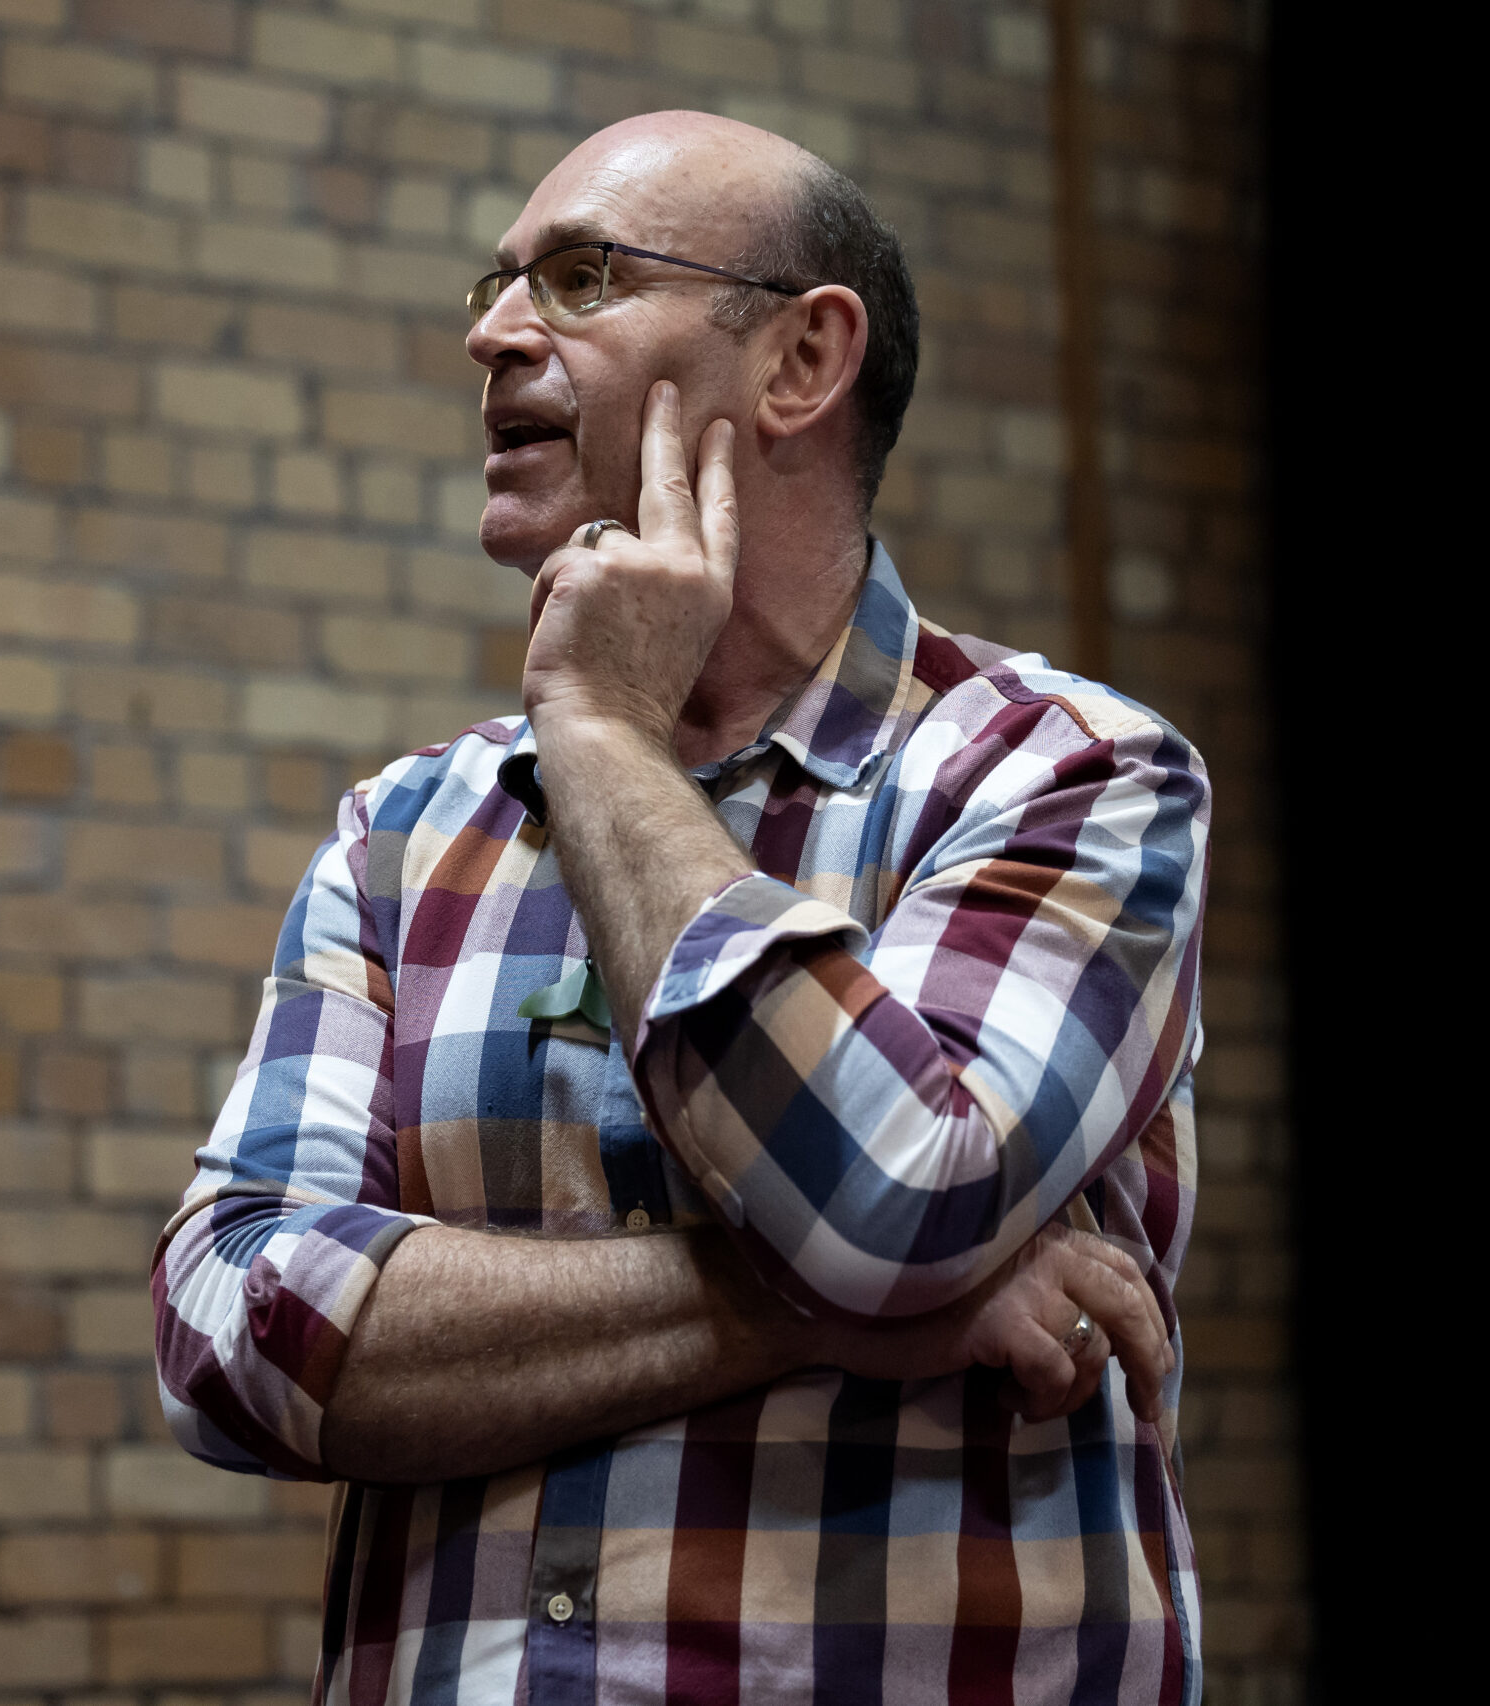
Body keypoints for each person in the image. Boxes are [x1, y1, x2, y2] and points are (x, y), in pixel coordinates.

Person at [151, 110, 1210, 1705]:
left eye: (578, 277)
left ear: (801, 362)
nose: (490, 332)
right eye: (496, 282)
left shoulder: (1069, 774)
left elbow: (898, 1201)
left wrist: (600, 739)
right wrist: (825, 1315)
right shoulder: (403, 834)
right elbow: (231, 1336)